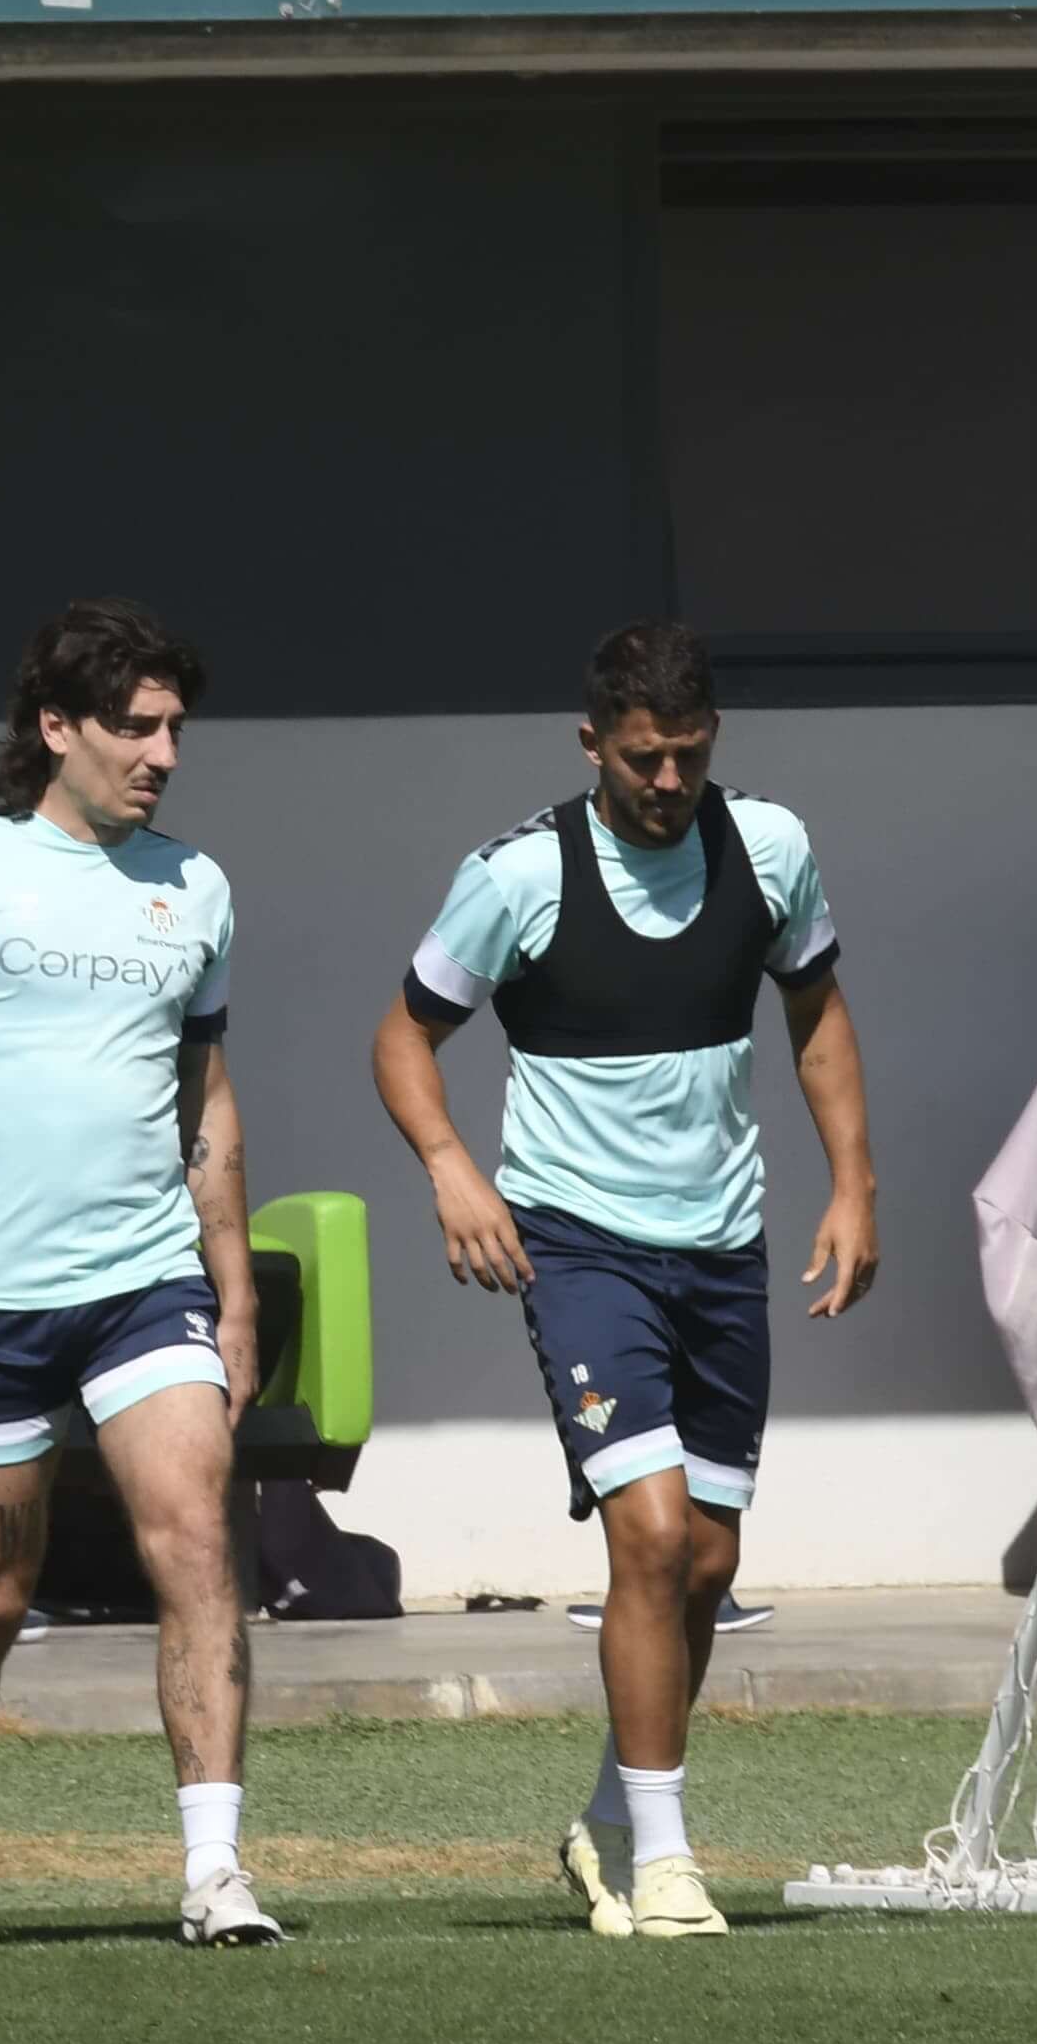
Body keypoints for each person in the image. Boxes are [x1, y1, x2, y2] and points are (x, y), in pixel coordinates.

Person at [372, 620, 876, 1942]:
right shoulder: (521, 875)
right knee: (646, 1534)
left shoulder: (767, 847)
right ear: (592, 741)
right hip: (580, 1246)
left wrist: (855, 1181)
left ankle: (608, 1824)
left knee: (707, 1558)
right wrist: (452, 1168)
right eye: (645, 757)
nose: (668, 781)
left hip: (725, 1246)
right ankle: (664, 1862)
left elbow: (815, 1011)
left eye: (690, 756)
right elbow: (404, 1034)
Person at [0, 601, 276, 1951]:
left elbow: (205, 1093)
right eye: (135, 726)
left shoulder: (194, 886)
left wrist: (236, 1286)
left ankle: (215, 1869)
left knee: (199, 1545)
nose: (163, 753)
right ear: (55, 727)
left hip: (146, 1285)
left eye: (174, 728)